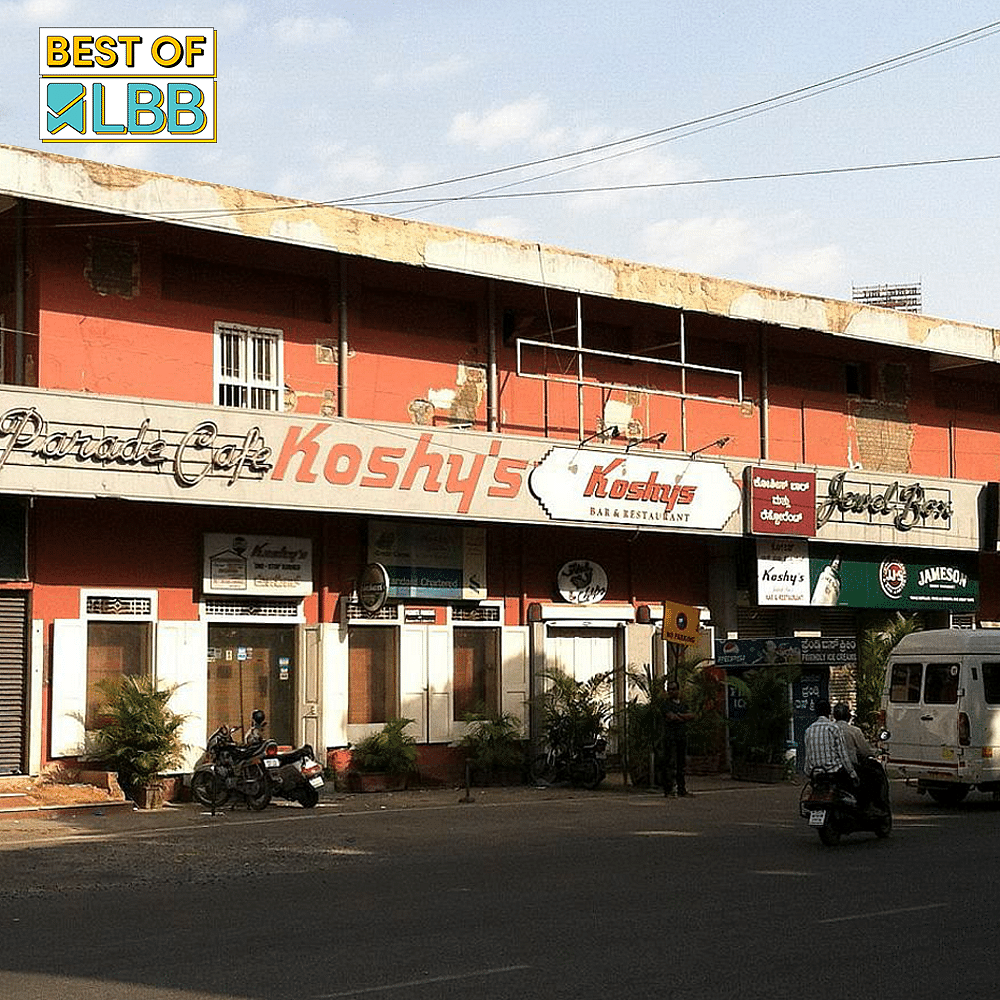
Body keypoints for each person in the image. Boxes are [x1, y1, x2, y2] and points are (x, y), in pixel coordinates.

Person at [833, 702, 887, 816]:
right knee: (873, 777)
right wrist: (876, 752)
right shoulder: (853, 731)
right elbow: (865, 751)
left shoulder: (829, 729)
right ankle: (870, 805)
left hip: (831, 767)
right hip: (850, 767)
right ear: (848, 716)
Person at [803, 698, 857, 794]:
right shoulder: (833, 728)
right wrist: (852, 773)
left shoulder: (809, 730)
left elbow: (808, 756)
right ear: (829, 712)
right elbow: (843, 755)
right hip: (833, 773)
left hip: (816, 774)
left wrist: (808, 772)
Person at [661, 680, 695, 797]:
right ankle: (668, 789)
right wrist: (681, 716)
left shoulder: (683, 704)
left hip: (681, 736)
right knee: (669, 764)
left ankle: (682, 789)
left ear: (678, 690)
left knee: (681, 764)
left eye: (674, 689)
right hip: (670, 737)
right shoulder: (666, 704)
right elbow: (670, 717)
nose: (671, 691)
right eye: (669, 689)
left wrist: (679, 716)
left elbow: (691, 715)